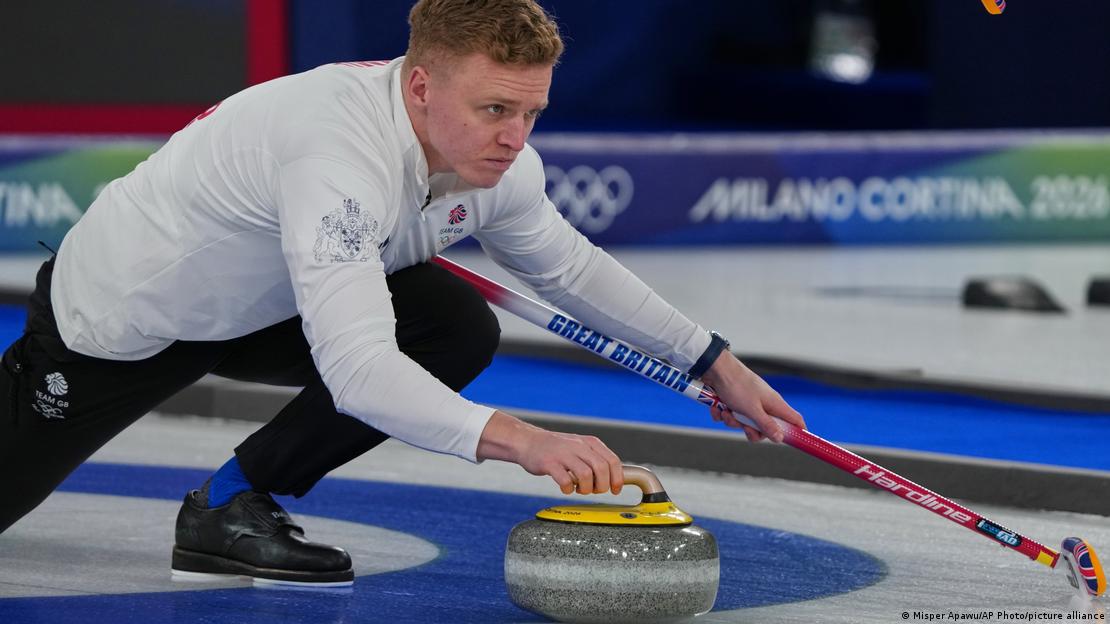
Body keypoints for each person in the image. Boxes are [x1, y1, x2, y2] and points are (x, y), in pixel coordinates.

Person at [0, 0, 805, 586]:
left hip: (272, 304)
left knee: (453, 325)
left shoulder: (501, 164)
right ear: (419, 87)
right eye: (494, 109)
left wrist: (714, 361)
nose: (515, 138)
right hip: (123, 321)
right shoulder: (336, 152)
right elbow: (356, 372)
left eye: (532, 112)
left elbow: (569, 268)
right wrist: (526, 442)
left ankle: (231, 504)